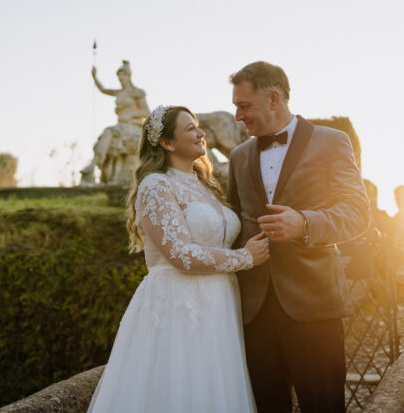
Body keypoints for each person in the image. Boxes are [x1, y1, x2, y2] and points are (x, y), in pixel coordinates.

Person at [87, 105, 269, 413]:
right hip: (179, 305)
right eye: (190, 128)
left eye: (198, 126)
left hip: (221, 305)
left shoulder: (207, 185)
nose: (201, 133)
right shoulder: (156, 185)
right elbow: (180, 253)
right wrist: (245, 258)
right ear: (167, 143)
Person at [226, 61, 371, 413]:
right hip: (254, 312)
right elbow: (232, 224)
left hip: (315, 306)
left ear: (273, 98)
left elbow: (357, 213)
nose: (237, 116)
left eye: (244, 106)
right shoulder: (238, 155)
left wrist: (304, 223)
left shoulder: (332, 142)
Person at [80, 60, 151, 185]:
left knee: (110, 132)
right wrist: (95, 77)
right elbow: (103, 90)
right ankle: (93, 164)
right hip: (120, 126)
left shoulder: (137, 92)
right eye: (118, 76)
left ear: (128, 76)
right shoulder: (119, 92)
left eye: (122, 76)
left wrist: (133, 115)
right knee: (107, 133)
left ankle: (93, 165)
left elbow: (146, 112)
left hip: (132, 125)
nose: (120, 79)